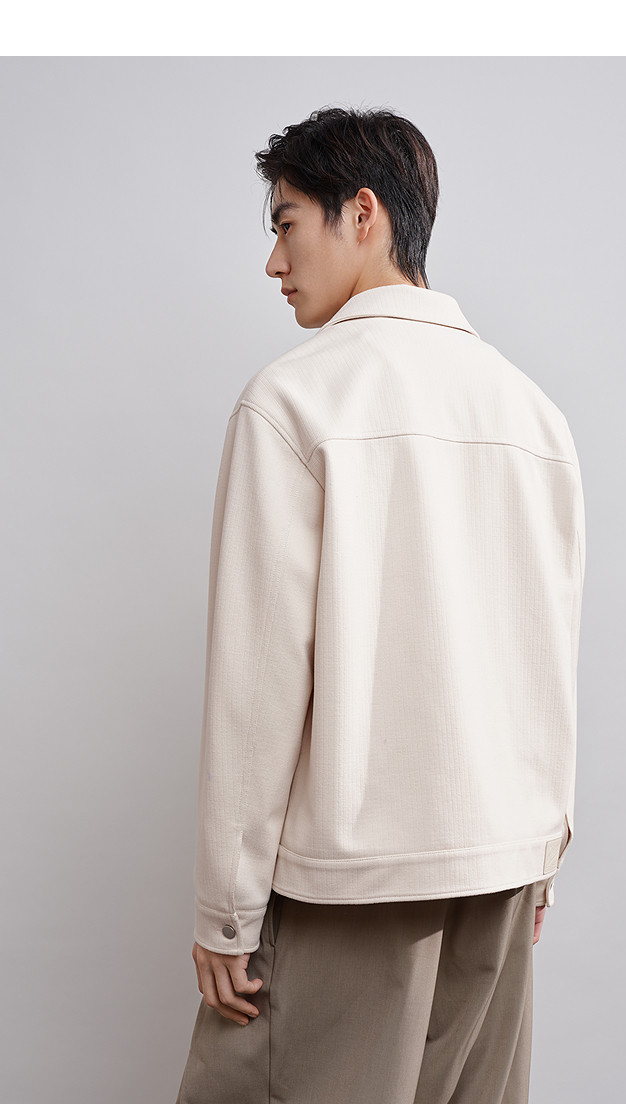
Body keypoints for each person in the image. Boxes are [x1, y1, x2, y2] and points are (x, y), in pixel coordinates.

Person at [176, 105, 586, 1104]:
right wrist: (542, 851)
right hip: (500, 868)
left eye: (286, 223)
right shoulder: (534, 413)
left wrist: (227, 912)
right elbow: (550, 647)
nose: (274, 262)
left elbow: (259, 680)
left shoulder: (295, 401)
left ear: (363, 214)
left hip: (352, 882)